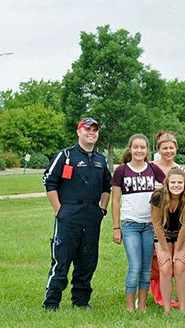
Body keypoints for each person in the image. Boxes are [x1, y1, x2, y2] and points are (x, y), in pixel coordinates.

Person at [42, 118, 112, 311]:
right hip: (69, 215)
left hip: (91, 216)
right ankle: (51, 302)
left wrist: (102, 209)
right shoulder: (66, 156)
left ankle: (81, 301)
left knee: (88, 260)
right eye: (87, 129)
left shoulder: (101, 160)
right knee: (62, 259)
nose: (91, 133)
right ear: (79, 131)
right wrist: (60, 210)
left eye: (95, 130)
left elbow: (108, 187)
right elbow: (49, 182)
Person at [111, 134, 166, 312]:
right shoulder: (122, 170)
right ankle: (129, 307)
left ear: (147, 150)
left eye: (142, 147)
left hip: (149, 225)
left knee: (146, 268)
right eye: (136, 147)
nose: (139, 150)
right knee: (135, 266)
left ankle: (142, 306)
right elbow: (115, 201)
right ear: (130, 149)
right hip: (130, 224)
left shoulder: (153, 168)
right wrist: (116, 228)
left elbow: (171, 185)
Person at [150, 168, 185, 313]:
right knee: (165, 267)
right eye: (173, 182)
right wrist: (165, 251)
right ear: (167, 184)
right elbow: (156, 224)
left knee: (180, 267)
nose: (176, 185)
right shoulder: (158, 196)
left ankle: (183, 309)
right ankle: (167, 308)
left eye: (180, 183)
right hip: (163, 231)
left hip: (183, 232)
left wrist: (177, 252)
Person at [150, 130, 181, 307]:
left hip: (173, 223)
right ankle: (155, 292)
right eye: (165, 148)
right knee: (155, 260)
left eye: (171, 148)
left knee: (171, 259)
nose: (168, 151)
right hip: (153, 220)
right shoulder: (151, 168)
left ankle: (167, 293)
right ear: (158, 149)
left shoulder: (179, 170)